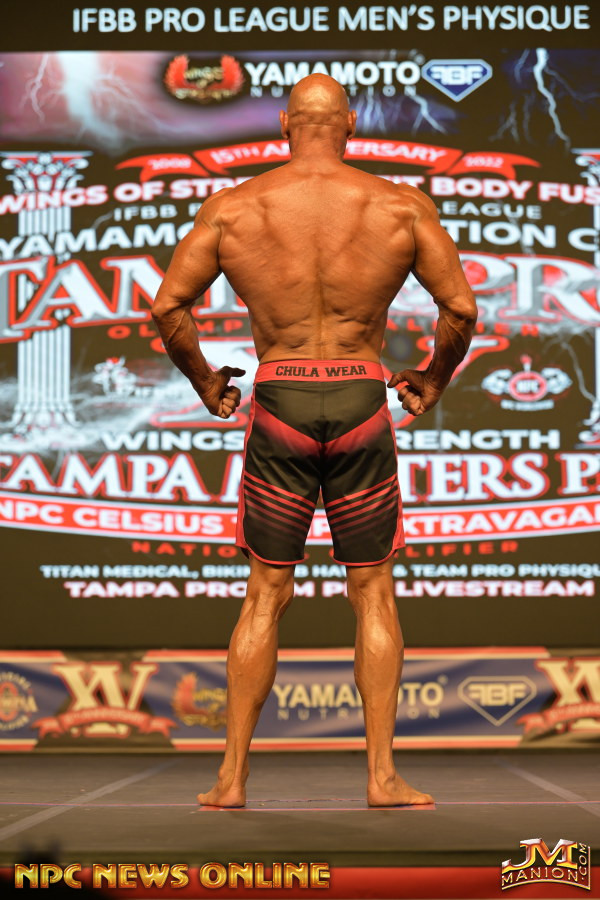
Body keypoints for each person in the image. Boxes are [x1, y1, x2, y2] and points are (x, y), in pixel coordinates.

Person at [151, 73, 477, 807]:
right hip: (360, 396)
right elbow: (460, 309)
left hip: (281, 400)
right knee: (373, 591)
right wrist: (432, 379)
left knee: (266, 592)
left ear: (283, 123)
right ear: (350, 124)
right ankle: (382, 778)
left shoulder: (236, 208)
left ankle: (231, 779)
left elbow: (170, 308)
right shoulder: (399, 205)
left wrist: (206, 382)